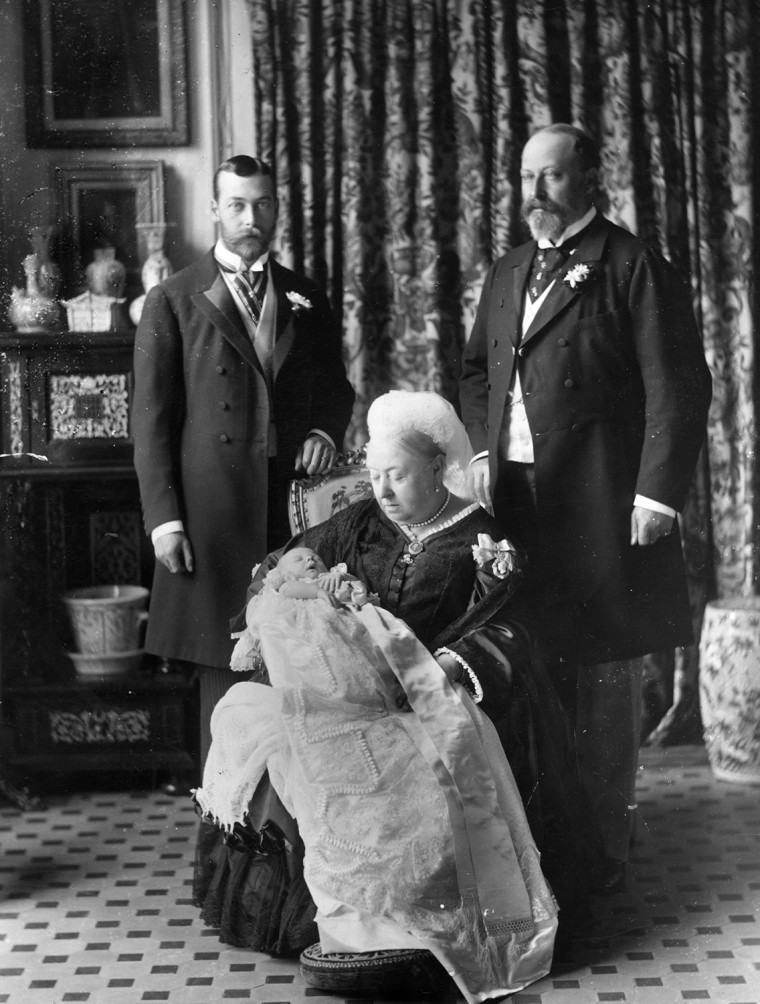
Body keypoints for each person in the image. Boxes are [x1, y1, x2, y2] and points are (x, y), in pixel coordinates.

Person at [193, 390, 594, 991]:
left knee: (416, 766)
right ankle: (337, 925)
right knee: (282, 734)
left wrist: (453, 665)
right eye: (375, 475)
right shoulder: (360, 520)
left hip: (430, 691)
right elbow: (284, 564)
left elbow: (517, 624)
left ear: (436, 468)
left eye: (397, 476)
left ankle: (406, 929)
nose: (381, 490)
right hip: (346, 689)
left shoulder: (478, 537)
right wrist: (293, 587)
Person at [459, 123, 712, 895]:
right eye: (528, 178)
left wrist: (657, 493)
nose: (535, 195)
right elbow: (476, 371)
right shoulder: (507, 272)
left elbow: (680, 384)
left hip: (602, 502)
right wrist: (477, 452)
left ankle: (603, 849)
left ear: (588, 180)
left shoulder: (631, 265)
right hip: (519, 505)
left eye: (553, 178)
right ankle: (548, 837)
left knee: (602, 667)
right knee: (530, 660)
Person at [195, 532, 558, 1002]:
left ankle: (423, 918)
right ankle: (361, 925)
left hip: (398, 690)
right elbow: (284, 594)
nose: (311, 562)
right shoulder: (326, 552)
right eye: (301, 560)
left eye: (314, 560)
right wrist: (317, 589)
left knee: (431, 760)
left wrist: (358, 602)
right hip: (326, 697)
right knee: (327, 770)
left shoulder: (458, 539)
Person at [132, 155, 355, 768]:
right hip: (213, 517)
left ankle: (286, 849)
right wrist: (165, 521)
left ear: (276, 208)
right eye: (236, 204)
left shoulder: (306, 294)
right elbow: (149, 423)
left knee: (295, 672)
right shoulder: (172, 300)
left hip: (289, 514)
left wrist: (321, 430)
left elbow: (336, 389)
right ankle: (226, 848)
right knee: (223, 684)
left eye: (261, 204)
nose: (250, 217)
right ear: (214, 210)